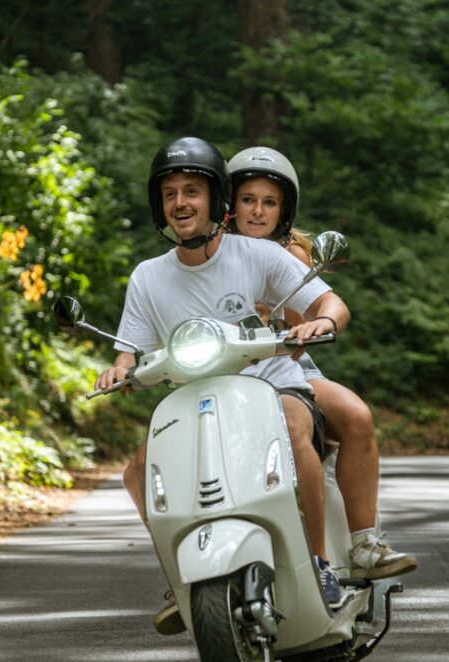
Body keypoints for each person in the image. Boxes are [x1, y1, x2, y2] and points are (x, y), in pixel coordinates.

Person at [96, 136, 349, 633]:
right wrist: (118, 370)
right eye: (169, 194)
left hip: (270, 381)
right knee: (139, 471)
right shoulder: (147, 276)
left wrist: (321, 322)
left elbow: (329, 301)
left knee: (295, 430)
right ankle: (181, 578)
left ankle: (318, 562)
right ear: (159, 205)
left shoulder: (254, 254)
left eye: (191, 191)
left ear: (215, 199)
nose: (180, 203)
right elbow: (128, 350)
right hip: (195, 396)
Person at [227, 146, 418, 580]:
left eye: (269, 202)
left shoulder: (291, 255)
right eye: (248, 199)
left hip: (286, 368)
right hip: (223, 373)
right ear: (229, 203)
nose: (258, 211)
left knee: (354, 416)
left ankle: (364, 543)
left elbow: (313, 315)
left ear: (284, 209)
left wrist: (292, 320)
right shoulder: (209, 252)